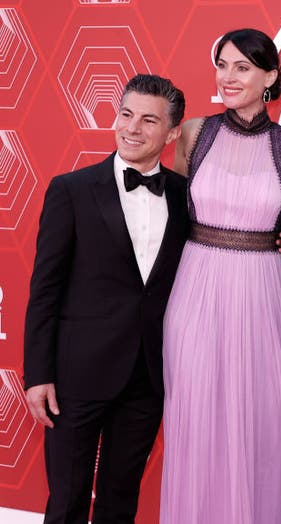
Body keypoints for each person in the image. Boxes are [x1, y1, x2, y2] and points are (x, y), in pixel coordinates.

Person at [22, 74, 187, 524]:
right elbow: (44, 289)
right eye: (126, 114)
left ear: (172, 133)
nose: (132, 128)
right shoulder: (71, 190)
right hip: (76, 376)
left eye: (149, 120)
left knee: (120, 501)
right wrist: (38, 374)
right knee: (67, 503)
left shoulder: (184, 196)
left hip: (147, 376)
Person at [158, 28, 281, 523]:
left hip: (264, 296)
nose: (228, 77)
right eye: (222, 65)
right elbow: (171, 218)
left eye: (243, 67)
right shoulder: (194, 133)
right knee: (195, 417)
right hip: (195, 289)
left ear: (270, 76)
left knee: (262, 423)